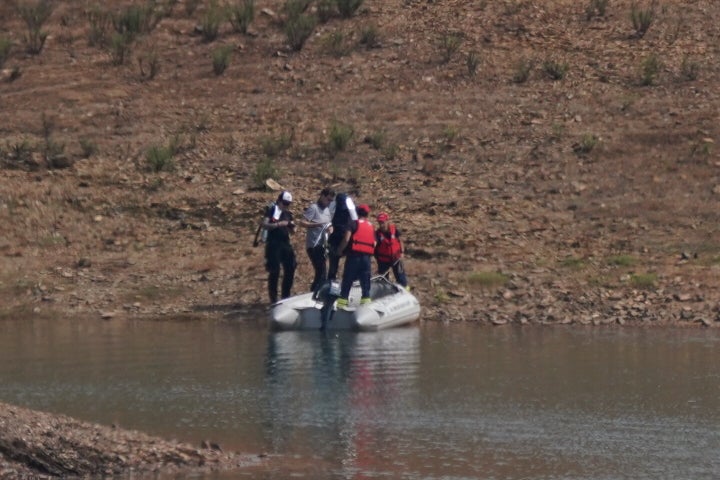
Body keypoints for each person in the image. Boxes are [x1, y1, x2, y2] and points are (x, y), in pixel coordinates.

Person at [336, 204, 376, 309]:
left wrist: (339, 250)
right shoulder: (371, 226)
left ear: (357, 213)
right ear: (367, 214)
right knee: (365, 281)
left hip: (354, 257)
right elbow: (374, 243)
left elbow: (346, 239)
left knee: (348, 279)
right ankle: (366, 304)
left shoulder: (353, 224)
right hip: (366, 258)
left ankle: (342, 303)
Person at [297, 187, 335, 292]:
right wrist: (316, 225)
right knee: (321, 271)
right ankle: (314, 292)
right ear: (322, 196)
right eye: (328, 199)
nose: (329, 202)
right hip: (313, 245)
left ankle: (317, 292)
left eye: (331, 201)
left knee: (322, 271)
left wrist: (330, 228)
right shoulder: (313, 208)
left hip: (323, 245)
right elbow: (302, 222)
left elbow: (329, 224)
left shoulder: (327, 210)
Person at [262, 190, 296, 304]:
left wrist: (292, 227)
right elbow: (265, 225)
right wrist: (278, 224)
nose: (286, 206)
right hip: (273, 244)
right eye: (284, 203)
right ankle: (273, 299)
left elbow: (293, 232)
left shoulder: (288, 214)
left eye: (288, 204)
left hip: (285, 243)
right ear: (279, 201)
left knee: (290, 268)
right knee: (274, 271)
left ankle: (286, 295)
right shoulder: (272, 210)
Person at [327, 192, 358, 282]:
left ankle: (332, 284)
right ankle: (346, 283)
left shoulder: (336, 209)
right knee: (347, 267)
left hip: (339, 241)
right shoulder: (349, 211)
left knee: (334, 268)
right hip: (341, 241)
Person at [374, 211, 409, 288]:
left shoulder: (394, 229)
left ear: (387, 221)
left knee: (401, 277)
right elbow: (374, 244)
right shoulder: (377, 234)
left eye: (383, 222)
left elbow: (400, 241)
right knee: (383, 279)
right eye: (380, 223)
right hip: (383, 260)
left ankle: (405, 291)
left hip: (396, 258)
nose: (381, 225)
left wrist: (402, 252)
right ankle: (384, 292)